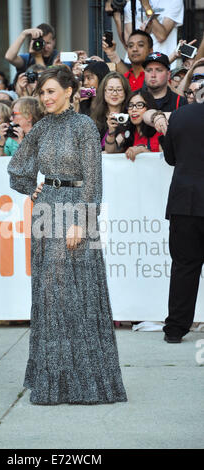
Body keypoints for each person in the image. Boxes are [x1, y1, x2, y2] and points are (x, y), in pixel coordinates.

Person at [7, 65, 127, 405]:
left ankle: (87, 381)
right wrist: (32, 188)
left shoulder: (84, 126)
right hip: (46, 209)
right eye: (42, 92)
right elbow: (16, 169)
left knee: (81, 294)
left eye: (51, 92)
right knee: (50, 295)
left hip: (76, 209)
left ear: (69, 92)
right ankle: (52, 381)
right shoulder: (42, 128)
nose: (45, 98)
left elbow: (93, 178)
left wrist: (83, 220)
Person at [159, 82, 204, 343]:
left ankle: (175, 330)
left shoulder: (179, 116)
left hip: (185, 204)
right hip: (186, 202)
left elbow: (171, 158)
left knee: (184, 267)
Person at [104, 89, 162, 158]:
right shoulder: (127, 133)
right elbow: (109, 151)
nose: (134, 109)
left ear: (149, 108)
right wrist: (111, 131)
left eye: (139, 105)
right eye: (130, 105)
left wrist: (143, 151)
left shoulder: (160, 131)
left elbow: (166, 163)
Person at [119, 0, 184, 62]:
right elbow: (128, 41)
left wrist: (147, 6)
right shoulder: (130, 5)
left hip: (163, 61)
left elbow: (161, 36)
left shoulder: (174, 1)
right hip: (135, 63)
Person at [90, 71, 131, 148]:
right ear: (104, 92)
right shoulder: (94, 118)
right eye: (110, 89)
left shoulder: (131, 117)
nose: (114, 93)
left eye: (119, 90)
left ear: (125, 92)